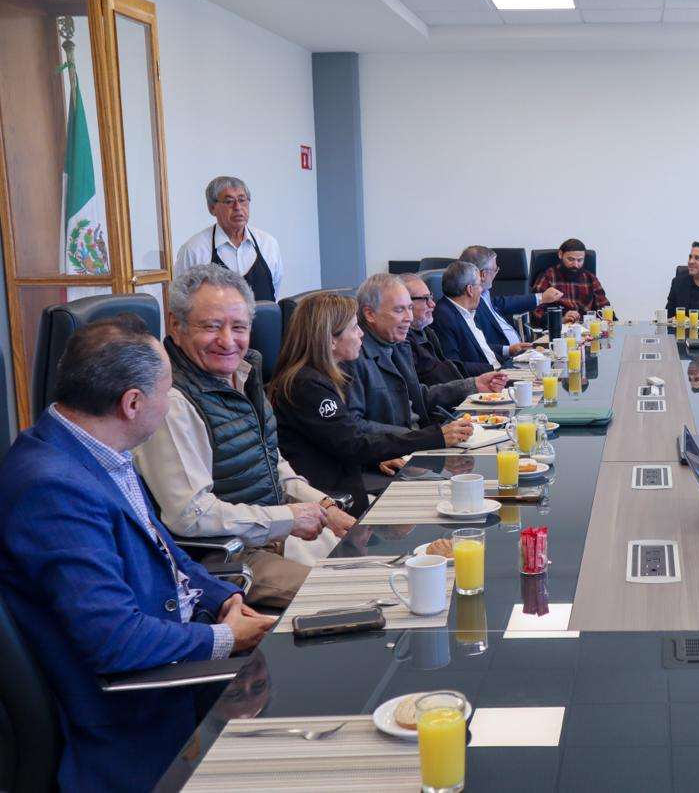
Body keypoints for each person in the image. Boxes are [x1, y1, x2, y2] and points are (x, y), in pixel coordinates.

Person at [0, 315, 274, 791]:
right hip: (136, 714)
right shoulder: (53, 488)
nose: (170, 403)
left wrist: (222, 597)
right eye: (167, 392)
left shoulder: (97, 450)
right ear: (132, 403)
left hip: (178, 655)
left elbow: (163, 550)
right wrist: (224, 638)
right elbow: (115, 640)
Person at [134, 265, 353, 609]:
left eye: (239, 327)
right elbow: (190, 516)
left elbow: (272, 460)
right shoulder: (171, 401)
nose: (227, 340)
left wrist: (323, 505)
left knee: (377, 566)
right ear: (176, 325)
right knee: (351, 596)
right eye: (211, 326)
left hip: (272, 533)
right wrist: (289, 518)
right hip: (228, 557)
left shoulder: (244, 372)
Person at [269, 292, 473, 515]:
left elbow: (335, 440)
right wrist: (434, 437)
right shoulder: (306, 386)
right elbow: (353, 444)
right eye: (354, 328)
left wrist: (377, 459)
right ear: (331, 339)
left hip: (349, 484)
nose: (361, 334)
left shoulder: (321, 377)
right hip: (333, 503)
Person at [347, 273, 507, 428]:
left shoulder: (397, 346)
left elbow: (418, 397)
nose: (409, 317)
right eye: (399, 310)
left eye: (410, 308)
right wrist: (426, 438)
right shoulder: (353, 358)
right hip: (408, 442)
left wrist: (473, 384)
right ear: (370, 314)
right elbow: (355, 427)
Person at [174, 176, 283, 301]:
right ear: (212, 208)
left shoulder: (268, 244)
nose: (237, 207)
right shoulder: (194, 250)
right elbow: (181, 300)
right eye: (229, 201)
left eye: (242, 200)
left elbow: (275, 291)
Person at [460, 245, 563, 358]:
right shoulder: (470, 302)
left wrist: (540, 297)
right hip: (504, 359)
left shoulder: (484, 294)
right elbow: (476, 346)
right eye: (495, 269)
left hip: (521, 352)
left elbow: (502, 303)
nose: (496, 273)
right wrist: (508, 350)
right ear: (483, 275)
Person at [399, 273, 490, 383]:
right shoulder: (403, 342)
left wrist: (491, 372)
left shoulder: (427, 332)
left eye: (430, 297)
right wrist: (474, 384)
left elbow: (446, 367)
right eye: (425, 299)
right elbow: (435, 378)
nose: (432, 304)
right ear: (405, 303)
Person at [433, 261, 507, 369]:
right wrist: (495, 370)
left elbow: (478, 347)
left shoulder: (467, 310)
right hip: (487, 375)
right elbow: (454, 366)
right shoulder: (443, 318)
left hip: (499, 368)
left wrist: (508, 350)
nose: (482, 289)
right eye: (480, 285)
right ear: (470, 290)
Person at [531, 238, 610, 324]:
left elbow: (604, 307)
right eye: (571, 259)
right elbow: (536, 311)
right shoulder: (548, 276)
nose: (575, 265)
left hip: (586, 328)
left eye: (580, 260)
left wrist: (608, 320)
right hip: (559, 327)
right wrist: (560, 319)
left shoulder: (590, 277)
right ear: (560, 254)